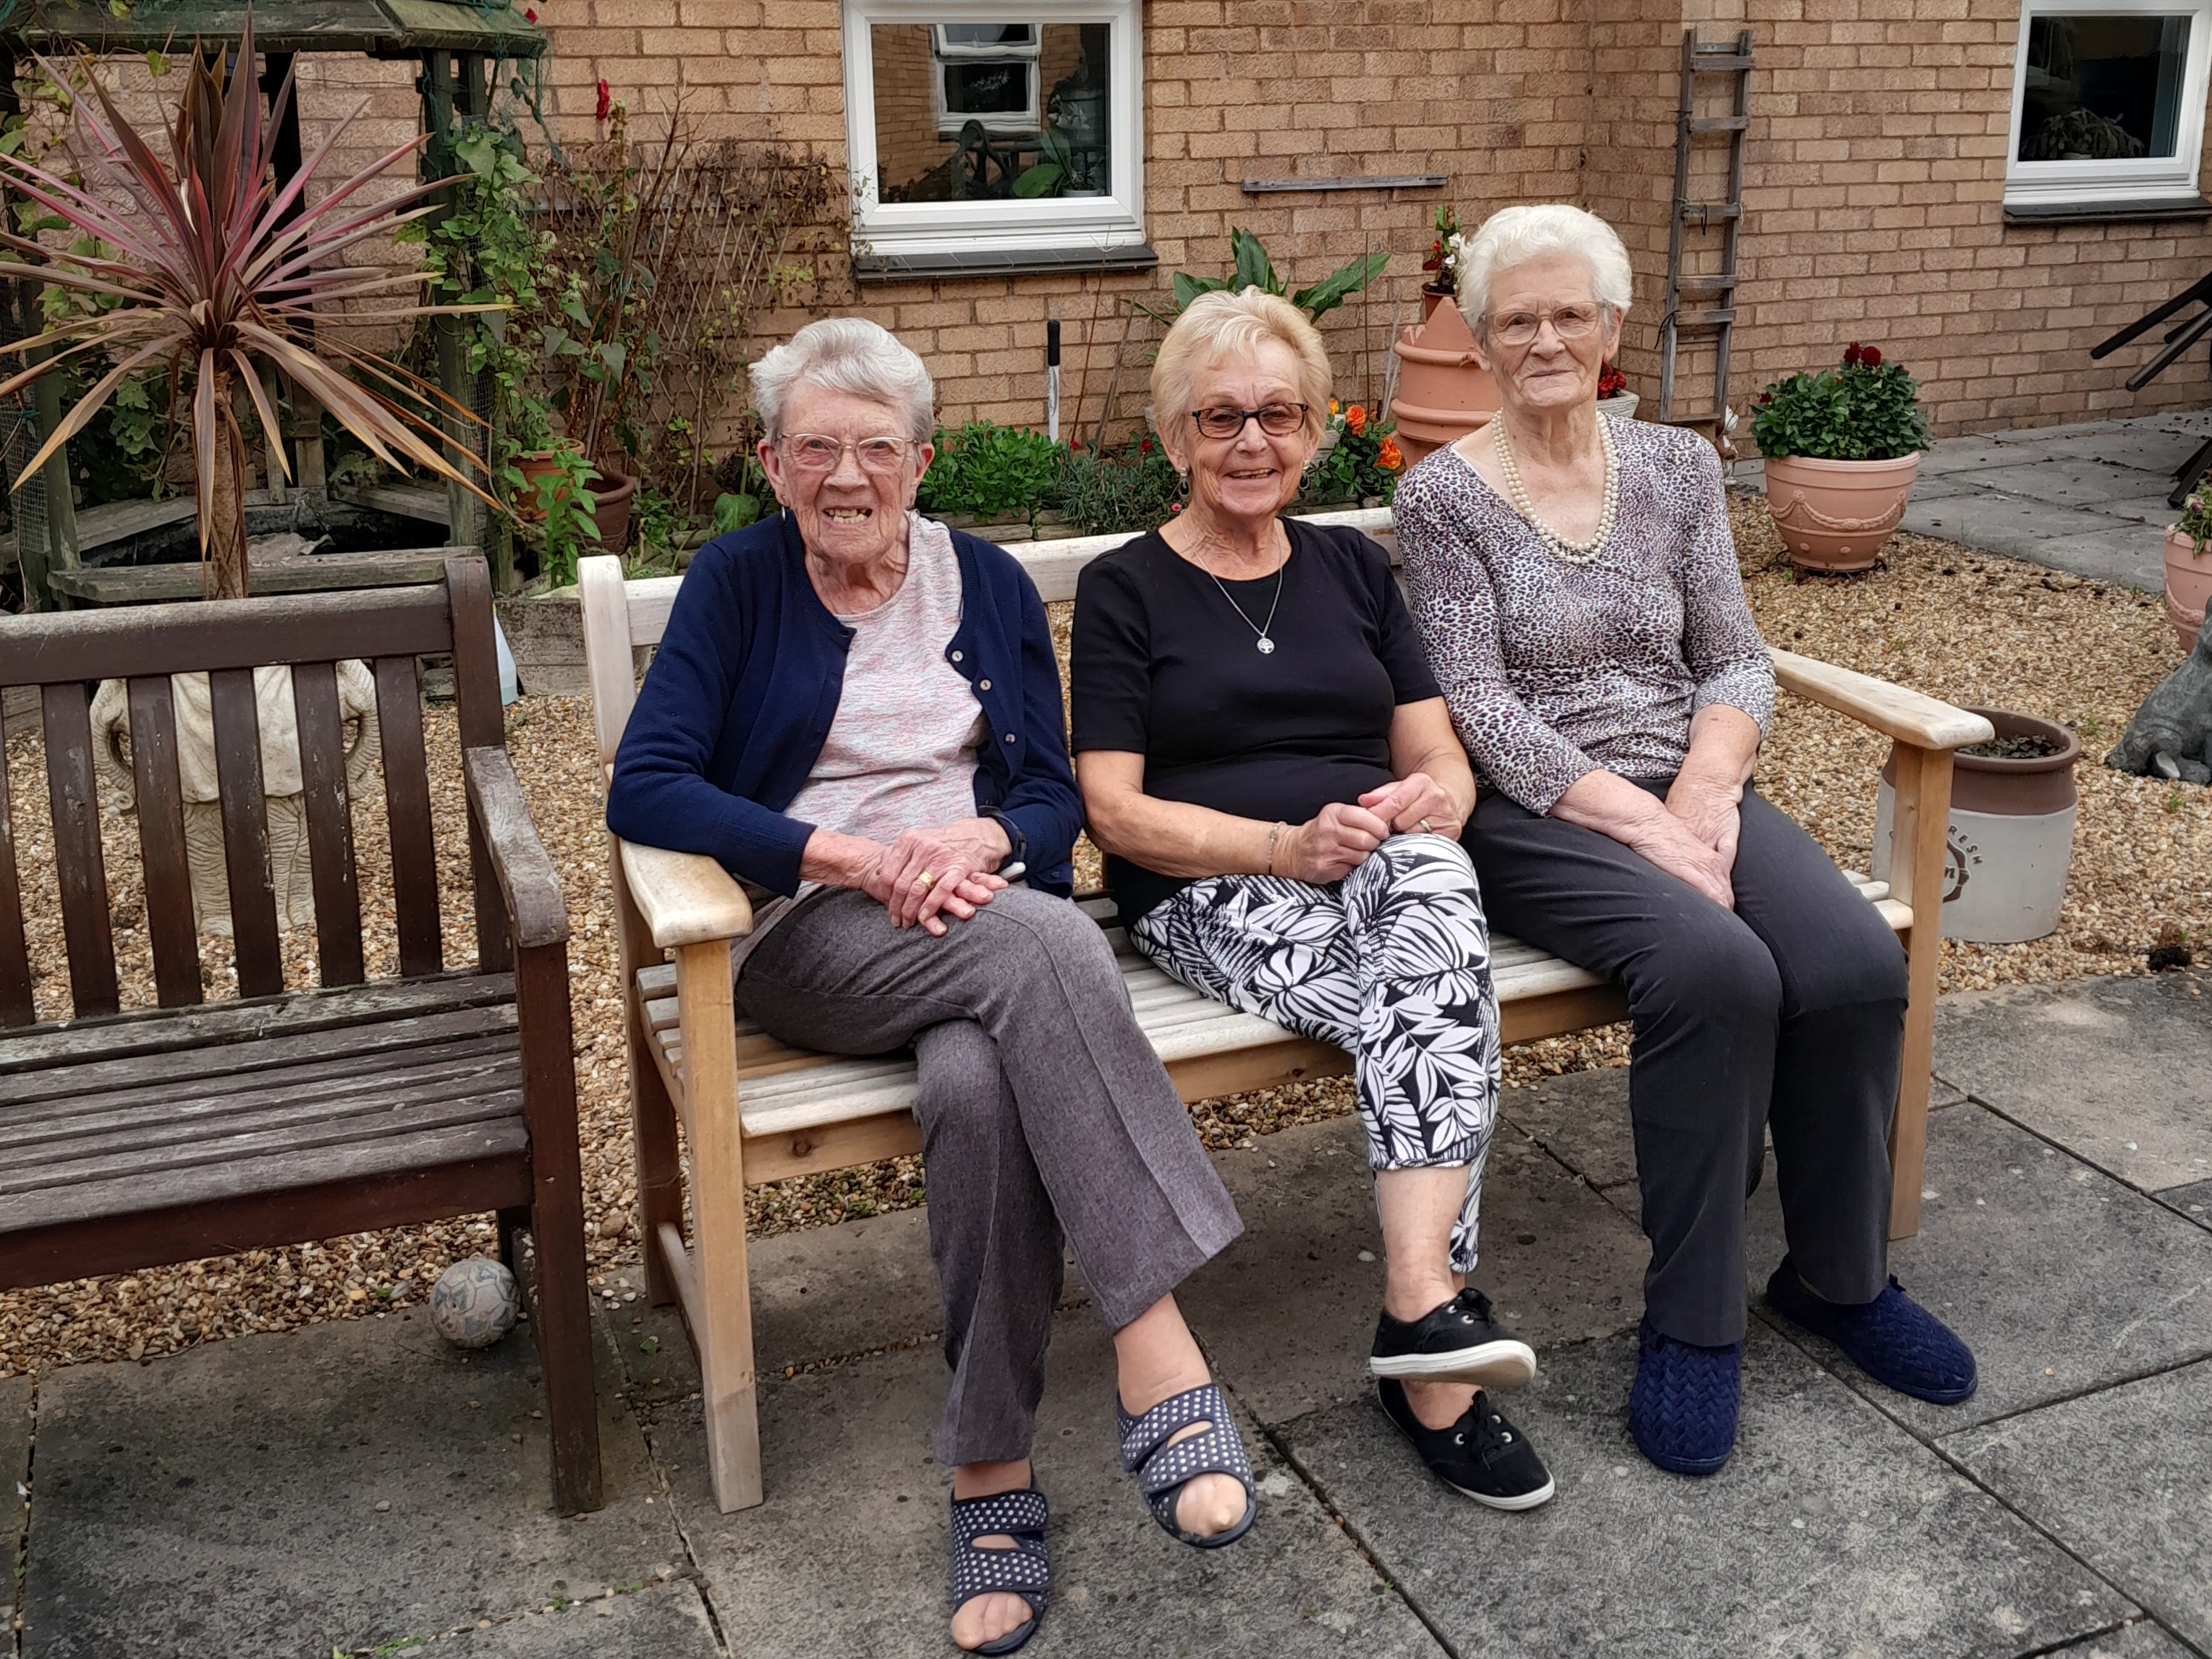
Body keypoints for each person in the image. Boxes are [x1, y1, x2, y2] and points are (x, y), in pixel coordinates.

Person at [606, 318, 1256, 1655]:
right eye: (816, 449)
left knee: (977, 1079)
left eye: (876, 448)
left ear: (922, 458)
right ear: (775, 464)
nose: (848, 475)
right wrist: (845, 853)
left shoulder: (990, 586)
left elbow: (1043, 793)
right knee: (1057, 946)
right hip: (810, 932)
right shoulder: (735, 584)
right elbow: (647, 782)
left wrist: (983, 839)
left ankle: (988, 1473)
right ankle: (1153, 1330)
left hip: (978, 915)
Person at [1392, 203, 1977, 1478]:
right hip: (1538, 806)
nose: (1543, 339)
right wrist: (1641, 818)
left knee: (1846, 964)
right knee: (1716, 973)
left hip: (1690, 781)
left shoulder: (1673, 466)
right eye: (1515, 320)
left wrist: (1708, 790)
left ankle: (1836, 1277)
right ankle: (1694, 1324)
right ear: (1482, 343)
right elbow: (1478, 705)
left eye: (1567, 314)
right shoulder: (1439, 495)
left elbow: (1729, 651)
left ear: (1608, 327)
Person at [1071, 289, 1555, 1514]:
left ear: (1311, 429)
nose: (1250, 443)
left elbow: (1438, 757)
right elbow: (1115, 813)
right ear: (1173, 436)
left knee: (1437, 888)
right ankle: (1431, 1347)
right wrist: (1282, 845)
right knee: (1442, 997)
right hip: (1212, 883)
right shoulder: (1125, 589)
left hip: (1377, 864)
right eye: (1220, 416)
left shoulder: (1352, 564)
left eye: (1276, 414)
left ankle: (1413, 1302)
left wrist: (1418, 808)